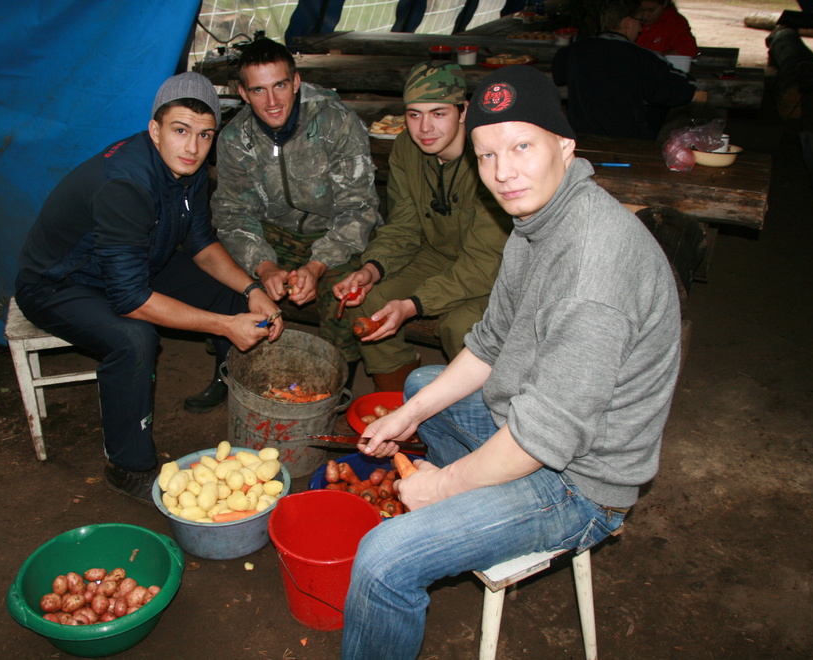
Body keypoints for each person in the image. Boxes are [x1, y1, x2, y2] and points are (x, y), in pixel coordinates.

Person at [339, 66, 682, 660]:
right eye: (487, 154)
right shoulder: (536, 219)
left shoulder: (593, 271)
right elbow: (492, 342)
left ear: (565, 146)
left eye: (522, 146)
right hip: (537, 424)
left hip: (579, 481)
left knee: (383, 559)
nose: (503, 172)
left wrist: (440, 488)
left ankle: (456, 519)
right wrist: (408, 414)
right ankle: (472, 513)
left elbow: (543, 437)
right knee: (421, 384)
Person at [14, 72, 282, 502]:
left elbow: (200, 243)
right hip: (60, 284)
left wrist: (252, 290)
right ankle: (128, 466)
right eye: (180, 131)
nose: (193, 147)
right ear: (155, 130)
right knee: (134, 339)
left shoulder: (188, 167)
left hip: (133, 263)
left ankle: (239, 394)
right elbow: (131, 299)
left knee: (233, 295)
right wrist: (223, 325)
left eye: (204, 134)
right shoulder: (125, 183)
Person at [209, 37, 381, 400]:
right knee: (228, 283)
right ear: (242, 92)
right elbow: (233, 214)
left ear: (296, 81)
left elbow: (359, 207)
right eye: (258, 90)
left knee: (345, 297)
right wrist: (265, 267)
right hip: (274, 235)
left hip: (333, 234)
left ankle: (335, 389)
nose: (272, 102)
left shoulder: (336, 122)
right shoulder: (235, 138)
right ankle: (233, 376)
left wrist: (317, 265)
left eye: (280, 86)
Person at [333, 61, 511, 393]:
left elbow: (484, 263)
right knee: (372, 302)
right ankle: (398, 406)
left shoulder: (490, 158)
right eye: (414, 114)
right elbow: (404, 227)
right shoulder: (406, 149)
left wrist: (414, 304)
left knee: (461, 327)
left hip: (496, 271)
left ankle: (482, 415)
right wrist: (372, 270)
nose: (424, 128)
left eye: (438, 113)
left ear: (463, 111)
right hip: (437, 255)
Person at [552, 0, 696, 140]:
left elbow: (558, 76)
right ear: (628, 22)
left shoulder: (573, 51)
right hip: (626, 141)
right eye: (640, 23)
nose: (640, 29)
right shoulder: (640, 56)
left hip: (581, 138)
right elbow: (680, 91)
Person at [633, 0, 698, 58]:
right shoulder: (632, 19)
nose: (645, 16)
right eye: (641, 10)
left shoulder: (675, 22)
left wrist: (659, 57)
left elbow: (689, 50)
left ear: (664, 4)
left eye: (651, 10)